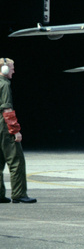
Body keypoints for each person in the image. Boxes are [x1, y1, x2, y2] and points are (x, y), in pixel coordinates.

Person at [0, 57, 36, 204]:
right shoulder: (4, 85)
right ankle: (19, 194)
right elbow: (7, 110)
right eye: (12, 68)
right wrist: (15, 130)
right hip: (3, 126)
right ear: (4, 69)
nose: (14, 71)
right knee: (16, 161)